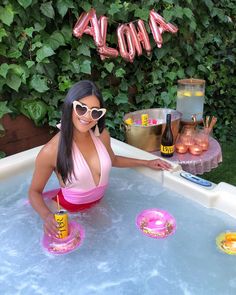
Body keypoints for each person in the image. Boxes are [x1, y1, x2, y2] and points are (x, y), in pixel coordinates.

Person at [28, 80, 171, 237]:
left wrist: (146, 162)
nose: (87, 117)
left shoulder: (101, 135)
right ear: (70, 107)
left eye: (95, 112)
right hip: (68, 213)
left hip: (98, 206)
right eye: (81, 108)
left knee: (118, 238)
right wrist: (47, 216)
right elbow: (34, 192)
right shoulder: (51, 151)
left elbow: (113, 160)